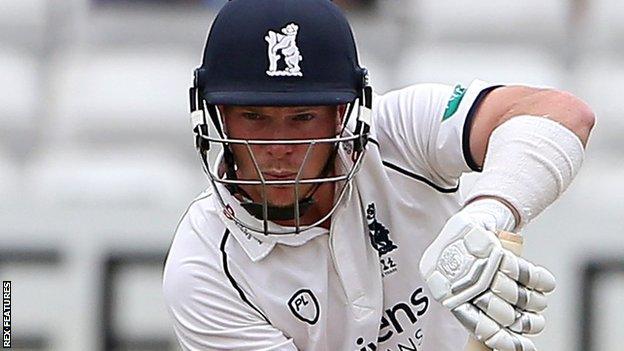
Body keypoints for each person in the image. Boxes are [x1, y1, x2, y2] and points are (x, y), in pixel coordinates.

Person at [162, 0, 595, 350]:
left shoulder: (398, 132)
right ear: (217, 116)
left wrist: (485, 217)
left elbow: (561, 113)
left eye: (302, 116)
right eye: (253, 116)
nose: (278, 147)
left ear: (341, 114)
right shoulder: (203, 269)